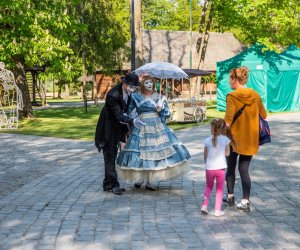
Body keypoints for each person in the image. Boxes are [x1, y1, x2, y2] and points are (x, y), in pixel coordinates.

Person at [116, 78, 191, 190]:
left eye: (151, 82)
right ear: (142, 85)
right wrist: (131, 122)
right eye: (146, 82)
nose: (149, 84)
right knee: (141, 152)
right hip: (141, 125)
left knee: (154, 152)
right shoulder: (136, 96)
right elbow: (129, 111)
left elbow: (166, 115)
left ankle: (150, 182)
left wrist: (161, 108)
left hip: (157, 127)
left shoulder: (160, 97)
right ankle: (140, 179)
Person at [224, 66, 267, 212]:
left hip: (233, 139)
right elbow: (264, 115)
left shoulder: (232, 96)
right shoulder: (255, 95)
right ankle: (245, 201)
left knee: (230, 167)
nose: (229, 82)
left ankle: (230, 197)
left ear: (235, 80)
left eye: (230, 79)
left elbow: (228, 120)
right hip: (250, 138)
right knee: (244, 169)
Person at [95, 72, 145, 195]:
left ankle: (107, 184)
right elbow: (118, 115)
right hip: (107, 128)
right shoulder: (113, 95)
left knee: (112, 155)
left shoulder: (128, 94)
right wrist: (132, 121)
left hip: (117, 127)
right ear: (124, 83)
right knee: (110, 156)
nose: (132, 89)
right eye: (131, 86)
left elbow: (124, 112)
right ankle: (114, 185)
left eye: (134, 87)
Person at [201, 118, 231, 217]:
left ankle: (204, 206)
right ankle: (217, 210)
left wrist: (207, 163)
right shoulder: (226, 140)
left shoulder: (207, 140)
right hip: (221, 168)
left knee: (208, 187)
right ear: (222, 129)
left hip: (209, 168)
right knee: (219, 189)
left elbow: (205, 155)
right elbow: (227, 154)